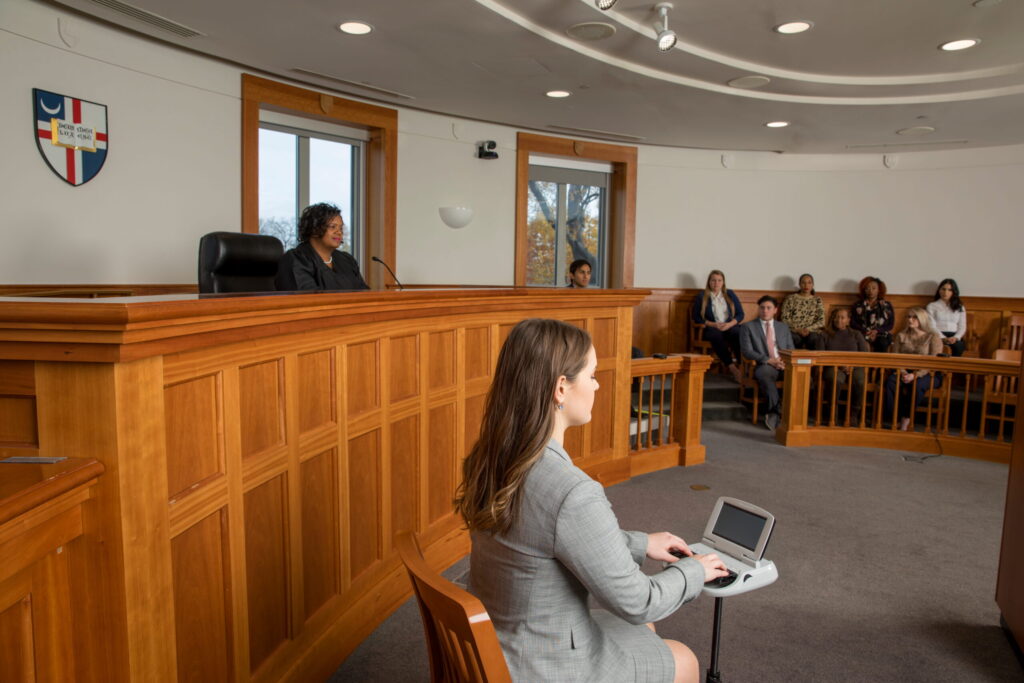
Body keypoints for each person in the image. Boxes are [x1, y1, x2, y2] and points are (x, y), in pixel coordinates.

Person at [455, 318, 727, 683]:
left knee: (644, 629)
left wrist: (640, 542)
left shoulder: (490, 458)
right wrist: (696, 571)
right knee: (683, 658)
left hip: (500, 640)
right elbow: (638, 601)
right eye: (593, 375)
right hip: (541, 664)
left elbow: (542, 537)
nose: (598, 386)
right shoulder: (571, 491)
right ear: (561, 389)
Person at [275, 202, 369, 291]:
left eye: (340, 228)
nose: (339, 232)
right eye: (333, 227)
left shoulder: (347, 260)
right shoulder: (295, 259)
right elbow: (307, 300)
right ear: (315, 229)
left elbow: (365, 294)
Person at [883, 307, 944, 431]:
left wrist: (915, 375)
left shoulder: (933, 337)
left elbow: (933, 362)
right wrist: (904, 372)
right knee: (891, 382)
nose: (910, 320)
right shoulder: (901, 335)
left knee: (917, 385)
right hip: (904, 370)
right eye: (908, 317)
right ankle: (895, 418)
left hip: (928, 373)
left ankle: (906, 419)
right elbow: (895, 358)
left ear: (922, 319)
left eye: (914, 317)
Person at [740, 296, 795, 430]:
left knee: (802, 376)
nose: (765, 311)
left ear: (775, 310)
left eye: (768, 308)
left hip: (783, 364)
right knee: (765, 374)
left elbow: (791, 348)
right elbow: (747, 351)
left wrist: (782, 361)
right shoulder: (748, 327)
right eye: (762, 308)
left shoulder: (782, 327)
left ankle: (794, 414)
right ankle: (774, 411)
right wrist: (770, 360)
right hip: (764, 364)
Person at [815, 308, 870, 425]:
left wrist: (851, 365)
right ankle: (832, 414)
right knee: (836, 380)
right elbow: (820, 356)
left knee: (859, 380)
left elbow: (864, 355)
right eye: (836, 317)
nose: (838, 320)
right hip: (832, 366)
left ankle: (854, 414)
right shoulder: (825, 334)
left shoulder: (856, 334)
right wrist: (839, 365)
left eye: (842, 317)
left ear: (848, 320)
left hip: (855, 366)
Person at [691, 270, 745, 383]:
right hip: (713, 327)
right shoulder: (702, 296)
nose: (716, 283)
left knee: (738, 333)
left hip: (729, 325)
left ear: (723, 282)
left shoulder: (730, 293)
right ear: (709, 282)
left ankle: (742, 366)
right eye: (713, 280)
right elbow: (696, 316)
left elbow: (740, 314)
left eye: (719, 280)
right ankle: (732, 368)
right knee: (715, 336)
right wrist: (713, 324)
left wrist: (730, 324)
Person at [779, 273, 825, 349]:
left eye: (809, 283)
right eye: (803, 282)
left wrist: (807, 329)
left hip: (811, 331)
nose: (806, 285)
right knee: (794, 339)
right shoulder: (790, 298)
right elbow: (784, 319)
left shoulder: (817, 300)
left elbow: (821, 321)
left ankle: (814, 361)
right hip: (794, 331)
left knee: (814, 339)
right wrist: (798, 330)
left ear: (813, 285)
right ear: (799, 284)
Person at [850, 276, 894, 353]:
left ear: (879, 290)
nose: (871, 291)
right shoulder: (857, 305)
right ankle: (863, 365)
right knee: (858, 342)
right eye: (867, 288)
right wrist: (865, 331)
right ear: (864, 290)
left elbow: (890, 324)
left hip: (881, 334)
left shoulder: (886, 305)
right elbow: (853, 323)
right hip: (862, 333)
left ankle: (878, 365)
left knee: (882, 342)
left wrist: (876, 331)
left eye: (874, 288)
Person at [926, 278, 967, 357]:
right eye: (943, 289)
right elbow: (931, 325)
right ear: (939, 290)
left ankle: (953, 369)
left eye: (949, 290)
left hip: (954, 336)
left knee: (958, 347)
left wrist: (956, 337)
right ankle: (938, 369)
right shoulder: (932, 306)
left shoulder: (960, 307)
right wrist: (943, 337)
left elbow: (962, 326)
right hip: (938, 335)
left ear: (954, 292)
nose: (946, 292)